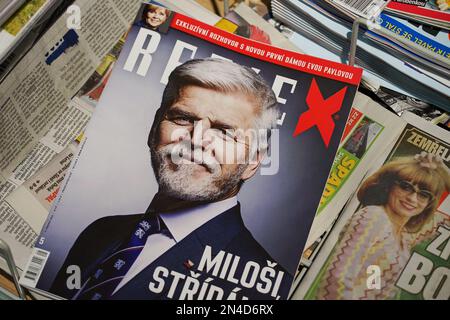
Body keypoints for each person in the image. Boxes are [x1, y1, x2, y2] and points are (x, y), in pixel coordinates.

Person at [50, 58, 291, 300]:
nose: (196, 140)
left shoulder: (267, 290)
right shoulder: (101, 231)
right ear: (154, 128)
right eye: (183, 118)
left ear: (252, 162)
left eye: (224, 131)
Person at [312, 153, 450, 300]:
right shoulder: (374, 217)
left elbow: (372, 283)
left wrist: (442, 170)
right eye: (405, 187)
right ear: (389, 186)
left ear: (428, 203)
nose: (412, 198)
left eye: (423, 194)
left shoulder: (405, 235)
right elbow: (337, 278)